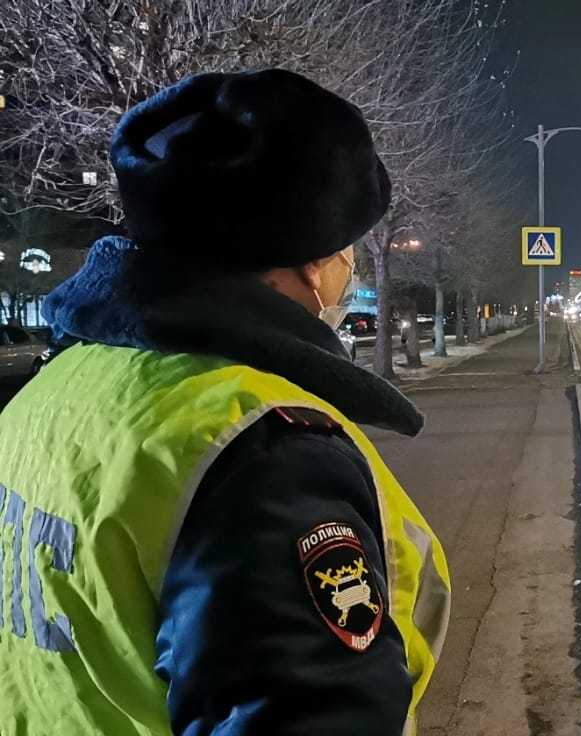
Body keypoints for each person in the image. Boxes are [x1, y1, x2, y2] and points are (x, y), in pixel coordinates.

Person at [0, 70, 449, 733]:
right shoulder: (266, 451)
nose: (349, 264)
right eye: (346, 243)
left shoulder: (58, 384)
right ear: (310, 260)